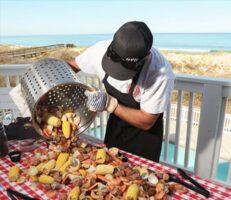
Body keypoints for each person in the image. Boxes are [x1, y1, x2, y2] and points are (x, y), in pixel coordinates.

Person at [68, 21, 174, 162]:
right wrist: (63, 92)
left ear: (146, 55)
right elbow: (71, 66)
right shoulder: (99, 50)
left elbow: (146, 121)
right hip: (115, 126)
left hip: (144, 139)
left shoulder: (159, 73)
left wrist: (110, 104)